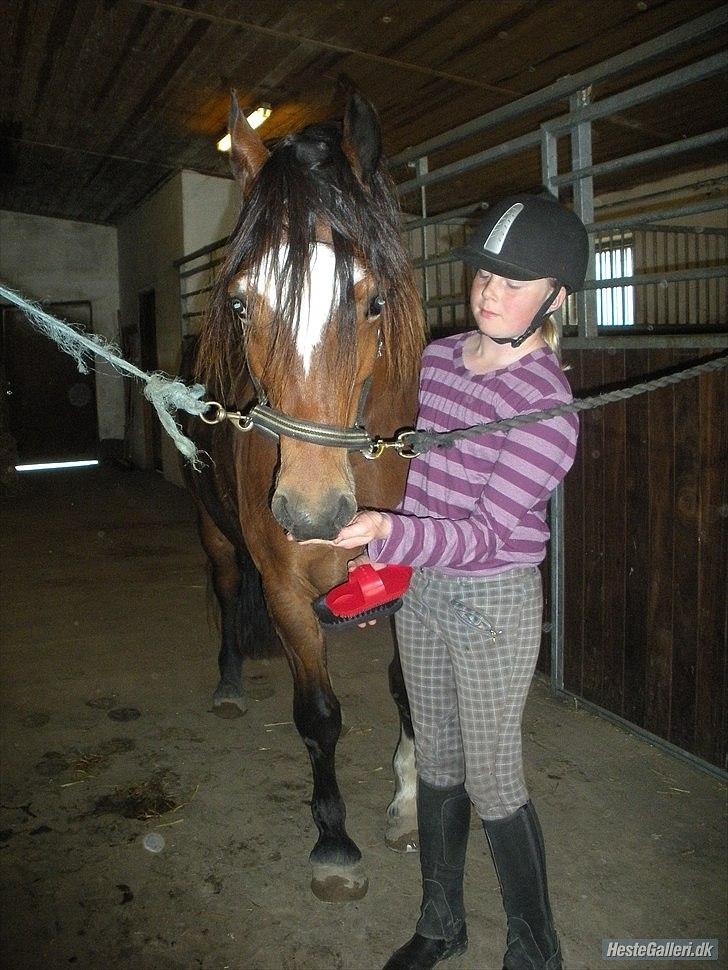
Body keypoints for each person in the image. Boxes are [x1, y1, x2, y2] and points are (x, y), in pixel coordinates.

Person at [322, 194, 590, 970]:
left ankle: (537, 950)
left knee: (494, 777)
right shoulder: (437, 361)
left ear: (557, 297)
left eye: (516, 281)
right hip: (427, 590)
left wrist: (386, 532)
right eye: (485, 275)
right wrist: (385, 566)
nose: (489, 292)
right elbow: (421, 489)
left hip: (493, 600)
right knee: (436, 762)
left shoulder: (547, 409)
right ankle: (443, 922)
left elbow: (483, 534)